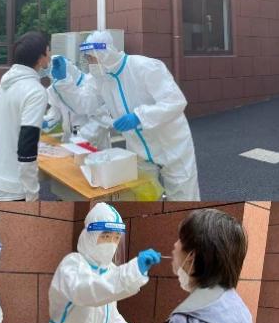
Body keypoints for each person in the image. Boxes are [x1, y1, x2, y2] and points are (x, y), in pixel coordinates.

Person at [51, 31, 200, 200]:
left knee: (183, 196)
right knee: (144, 196)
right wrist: (63, 81)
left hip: (171, 144)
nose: (90, 63)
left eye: (91, 58)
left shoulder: (145, 67)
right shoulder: (100, 78)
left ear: (104, 53)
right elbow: (84, 104)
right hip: (138, 148)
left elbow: (175, 101)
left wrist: (139, 117)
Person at [35, 203, 160, 323]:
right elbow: (88, 292)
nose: (111, 243)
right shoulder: (73, 265)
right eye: (106, 236)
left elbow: (107, 309)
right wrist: (133, 270)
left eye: (116, 238)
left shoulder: (110, 270)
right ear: (91, 235)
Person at [0, 32, 51, 201]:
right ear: (40, 58)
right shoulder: (35, 91)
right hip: (12, 190)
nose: (50, 56)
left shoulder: (4, 85)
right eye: (49, 51)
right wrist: (32, 194)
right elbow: (27, 150)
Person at [42, 59, 111, 150]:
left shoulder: (90, 84)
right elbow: (56, 110)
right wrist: (47, 121)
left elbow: (100, 120)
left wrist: (79, 139)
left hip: (91, 141)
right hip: (69, 138)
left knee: (88, 159)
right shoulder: (57, 87)